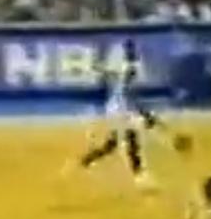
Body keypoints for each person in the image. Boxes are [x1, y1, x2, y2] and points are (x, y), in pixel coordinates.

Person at [71, 39, 188, 188]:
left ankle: (87, 160)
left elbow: (117, 79)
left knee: (115, 142)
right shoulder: (130, 68)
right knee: (135, 136)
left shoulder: (126, 67)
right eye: (130, 51)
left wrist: (100, 69)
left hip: (119, 108)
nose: (132, 53)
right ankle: (142, 175)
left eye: (131, 50)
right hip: (121, 109)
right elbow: (126, 88)